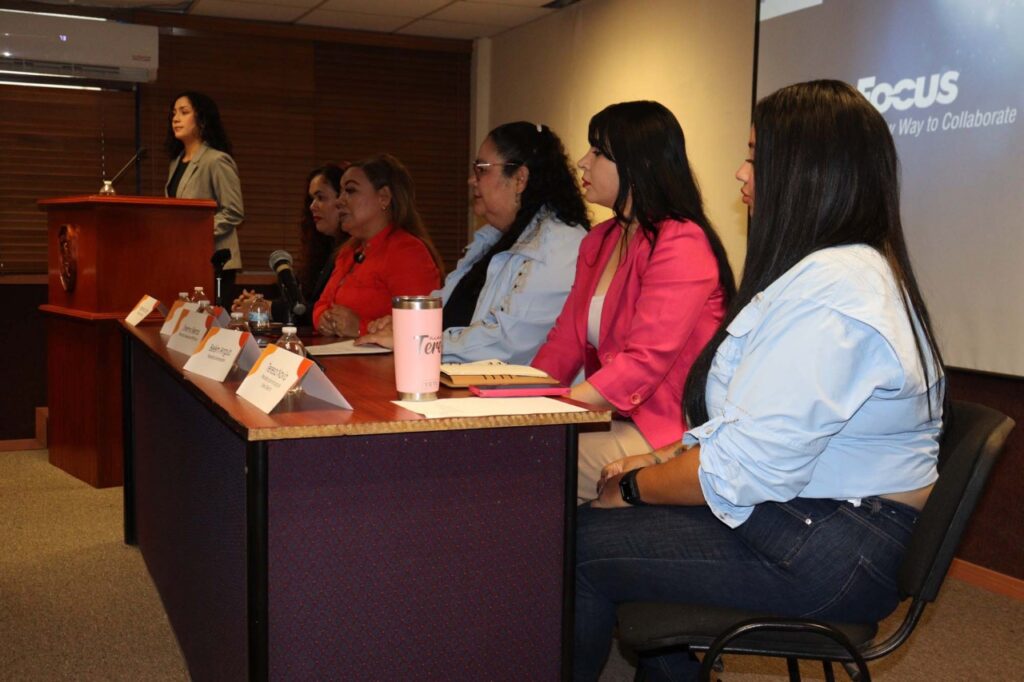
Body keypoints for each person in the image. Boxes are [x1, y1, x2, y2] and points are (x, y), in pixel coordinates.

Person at [573, 80, 947, 681]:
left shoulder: (837, 291)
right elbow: (749, 424)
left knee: (582, 547)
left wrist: (640, 485)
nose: (740, 175)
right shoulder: (831, 272)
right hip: (813, 517)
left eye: (754, 157)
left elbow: (743, 469)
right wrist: (665, 454)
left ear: (806, 172)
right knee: (607, 525)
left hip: (833, 550)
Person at [530, 101, 735, 504]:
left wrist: (554, 409)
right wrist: (518, 403)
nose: (582, 162)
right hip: (614, 420)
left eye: (598, 153)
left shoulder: (681, 240)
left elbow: (644, 361)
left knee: (525, 464)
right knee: (503, 448)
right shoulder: (600, 240)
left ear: (637, 165)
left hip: (666, 433)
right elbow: (563, 345)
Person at [356, 122, 590, 364]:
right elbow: (447, 304)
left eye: (482, 170)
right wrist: (404, 323)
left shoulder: (561, 245)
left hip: (515, 395)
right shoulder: (492, 237)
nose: (471, 180)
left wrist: (414, 340)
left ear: (520, 179)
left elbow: (508, 341)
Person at [312, 154, 443, 337]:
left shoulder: (408, 252)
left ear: (384, 197)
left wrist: (360, 327)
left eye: (350, 191)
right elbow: (321, 304)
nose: (339, 201)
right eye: (340, 192)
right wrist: (323, 318)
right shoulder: (348, 251)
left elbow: (422, 328)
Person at [233, 163, 347, 326]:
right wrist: (257, 306)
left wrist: (266, 308)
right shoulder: (323, 249)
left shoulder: (353, 252)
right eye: (311, 199)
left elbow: (319, 310)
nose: (312, 206)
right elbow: (302, 305)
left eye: (320, 198)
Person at [165, 91, 244, 299]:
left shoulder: (216, 160)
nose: (175, 118)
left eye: (184, 112)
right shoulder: (176, 163)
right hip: (186, 260)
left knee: (210, 327)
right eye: (174, 113)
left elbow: (234, 211)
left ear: (201, 119)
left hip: (216, 263)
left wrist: (196, 233)